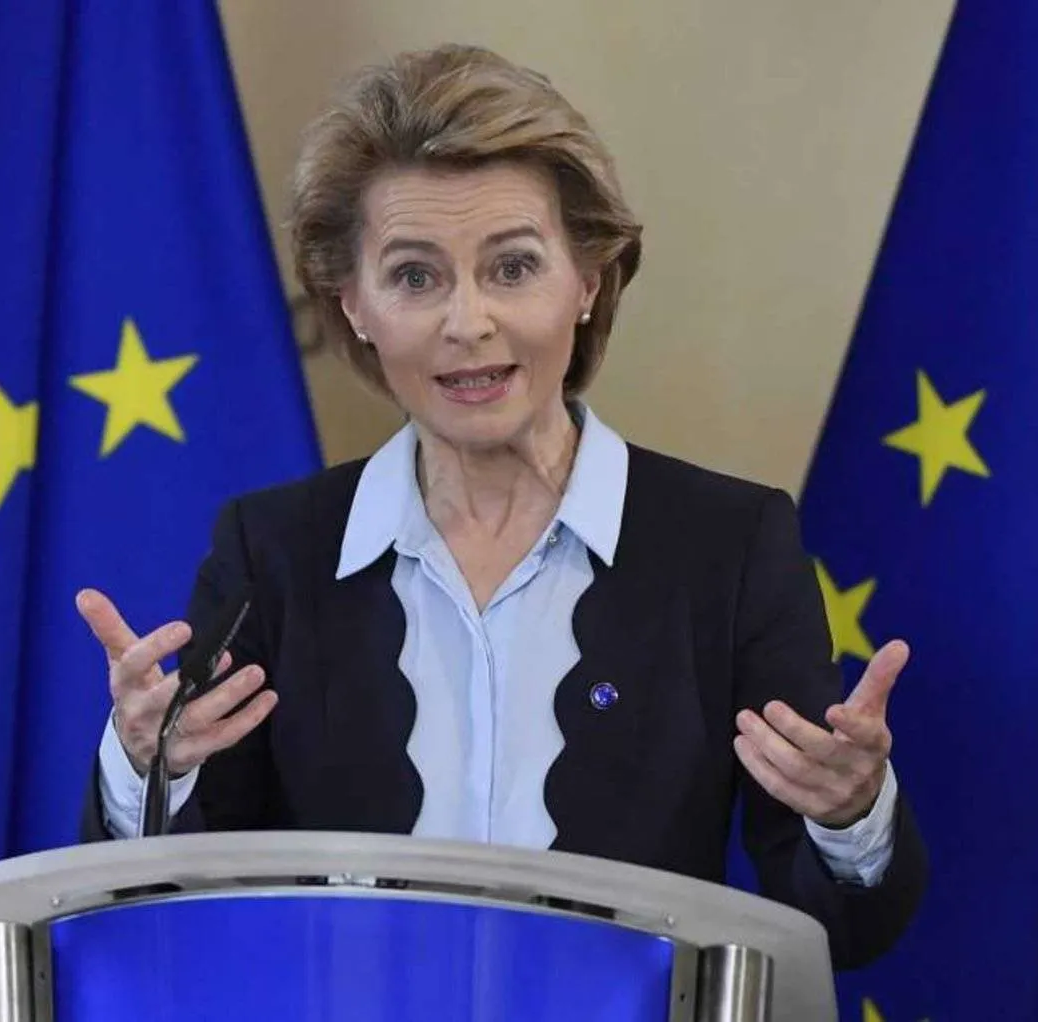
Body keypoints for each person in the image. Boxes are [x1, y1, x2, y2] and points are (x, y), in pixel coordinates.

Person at [76, 42, 926, 969]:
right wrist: (147, 763)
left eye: (513, 268)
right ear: (352, 303)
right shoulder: (274, 550)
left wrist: (848, 814)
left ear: (588, 279)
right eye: (415, 276)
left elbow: (843, 931)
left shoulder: (728, 546)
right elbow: (175, 911)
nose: (468, 323)